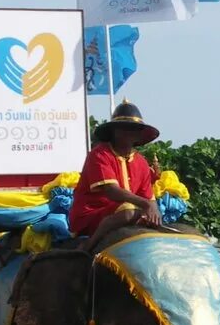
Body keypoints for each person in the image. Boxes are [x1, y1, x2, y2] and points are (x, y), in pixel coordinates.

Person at [69, 102, 162, 249]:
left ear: (139, 134)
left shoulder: (142, 162)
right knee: (128, 210)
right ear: (114, 131)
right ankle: (89, 245)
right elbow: (112, 191)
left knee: (146, 216)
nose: (129, 132)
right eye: (124, 128)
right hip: (92, 215)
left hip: (128, 212)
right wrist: (145, 205)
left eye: (134, 129)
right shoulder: (99, 154)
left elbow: (149, 198)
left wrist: (153, 211)